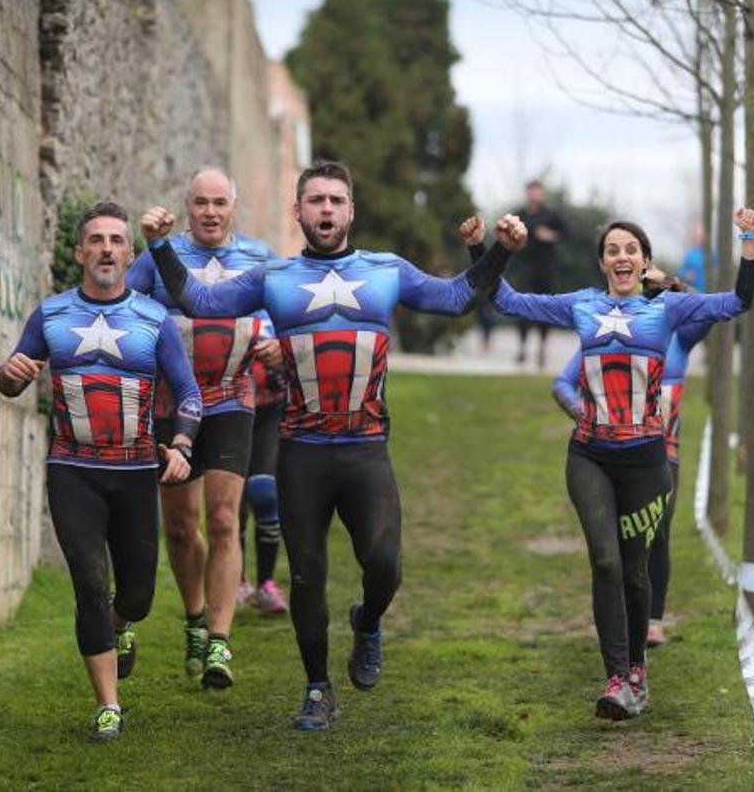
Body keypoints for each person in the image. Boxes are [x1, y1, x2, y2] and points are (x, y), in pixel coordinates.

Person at [140, 160, 521, 731]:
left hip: (366, 449)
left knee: (385, 567)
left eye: (335, 200)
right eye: (314, 200)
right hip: (302, 450)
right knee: (307, 575)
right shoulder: (274, 277)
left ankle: (367, 622)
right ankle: (318, 688)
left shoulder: (385, 270)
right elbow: (201, 302)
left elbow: (460, 297)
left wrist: (502, 251)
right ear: (297, 212)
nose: (325, 209)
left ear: (350, 211)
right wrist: (161, 247)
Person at [463, 207, 754, 720]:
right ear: (602, 262)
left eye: (631, 250)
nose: (620, 256)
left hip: (647, 460)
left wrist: (748, 239)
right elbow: (505, 299)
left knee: (634, 570)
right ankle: (617, 679)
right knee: (604, 561)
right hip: (589, 455)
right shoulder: (582, 305)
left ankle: (638, 670)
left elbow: (737, 301)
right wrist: (478, 250)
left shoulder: (669, 309)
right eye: (612, 250)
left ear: (644, 262)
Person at [0, 201, 201, 742]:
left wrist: (180, 444)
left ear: (130, 255)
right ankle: (109, 706)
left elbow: (189, 395)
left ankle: (122, 624)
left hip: (135, 473)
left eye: (116, 240)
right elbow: (13, 377)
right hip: (72, 471)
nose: (107, 248)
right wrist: (8, 375)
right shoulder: (51, 314)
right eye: (97, 240)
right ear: (79, 252)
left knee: (137, 596)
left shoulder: (154, 320)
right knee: (89, 583)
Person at [127, 167, 273, 689]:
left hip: (233, 394)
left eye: (219, 203)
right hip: (171, 400)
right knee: (182, 527)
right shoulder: (158, 256)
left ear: (234, 207)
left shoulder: (259, 257)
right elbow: (123, 308)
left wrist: (275, 343)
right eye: (200, 203)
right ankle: (193, 619)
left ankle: (218, 641)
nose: (210, 212)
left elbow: (280, 312)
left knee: (225, 519)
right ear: (187, 208)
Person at [542, 268, 712, 650]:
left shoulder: (679, 338)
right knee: (615, 544)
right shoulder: (608, 336)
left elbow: (707, 310)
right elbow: (561, 384)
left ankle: (653, 620)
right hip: (607, 449)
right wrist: (581, 412)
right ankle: (621, 616)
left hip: (661, 452)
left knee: (658, 533)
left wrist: (673, 284)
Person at [236, 319, 290, 615]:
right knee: (232, 502)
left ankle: (266, 584)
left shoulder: (282, 286)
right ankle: (237, 580)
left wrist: (283, 348)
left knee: (265, 491)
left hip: (271, 408)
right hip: (230, 407)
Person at [512, 180, 568, 369]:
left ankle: (542, 349)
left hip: (545, 269)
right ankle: (522, 348)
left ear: (542, 194)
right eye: (531, 191)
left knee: (544, 308)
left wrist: (550, 235)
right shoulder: (519, 214)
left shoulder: (550, 215)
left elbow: (567, 233)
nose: (534, 195)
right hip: (525, 268)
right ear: (527, 193)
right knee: (522, 307)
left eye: (537, 191)